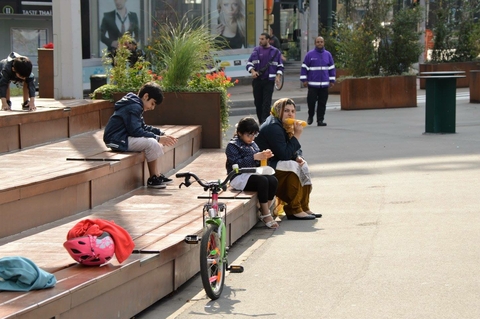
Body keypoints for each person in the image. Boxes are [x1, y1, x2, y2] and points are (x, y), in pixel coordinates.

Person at [255, 98, 322, 220]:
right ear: (278, 111)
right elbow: (284, 154)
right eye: (286, 110)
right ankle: (294, 209)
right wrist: (297, 135)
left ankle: (304, 206)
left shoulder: (284, 125)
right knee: (293, 167)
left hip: (277, 161)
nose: (290, 114)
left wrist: (297, 157)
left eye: (292, 111)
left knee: (303, 165)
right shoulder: (273, 127)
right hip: (265, 165)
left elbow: (292, 149)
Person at [103, 82, 178, 189]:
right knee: (152, 143)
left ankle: (156, 175)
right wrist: (158, 138)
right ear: (146, 96)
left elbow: (143, 127)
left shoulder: (135, 104)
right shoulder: (134, 106)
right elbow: (136, 131)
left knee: (154, 142)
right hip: (116, 140)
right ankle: (153, 178)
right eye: (152, 103)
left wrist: (161, 134)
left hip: (122, 137)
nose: (152, 108)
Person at [225, 117, 279, 229]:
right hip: (238, 177)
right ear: (240, 133)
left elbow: (258, 162)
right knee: (262, 181)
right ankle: (266, 214)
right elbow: (235, 164)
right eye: (248, 135)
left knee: (273, 180)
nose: (251, 138)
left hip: (252, 173)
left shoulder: (253, 144)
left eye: (254, 135)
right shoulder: (232, 145)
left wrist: (264, 156)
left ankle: (265, 209)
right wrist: (254, 157)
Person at [246, 33, 284, 124]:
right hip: (257, 80)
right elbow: (249, 63)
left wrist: (278, 77)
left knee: (266, 103)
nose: (261, 41)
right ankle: (261, 121)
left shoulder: (275, 52)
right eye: (260, 39)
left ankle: (265, 122)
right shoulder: (256, 51)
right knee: (258, 103)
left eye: (262, 39)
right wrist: (253, 71)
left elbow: (280, 66)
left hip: (269, 81)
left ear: (268, 40)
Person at [300, 36, 336, 126]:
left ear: (324, 43)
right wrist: (304, 80)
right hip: (312, 84)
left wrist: (332, 80)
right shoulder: (310, 55)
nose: (320, 43)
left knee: (322, 103)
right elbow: (304, 68)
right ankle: (310, 116)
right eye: (318, 42)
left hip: (324, 84)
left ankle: (320, 120)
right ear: (315, 43)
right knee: (311, 102)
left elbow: (331, 68)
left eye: (321, 42)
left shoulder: (328, 55)